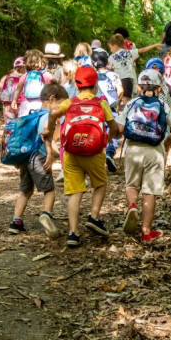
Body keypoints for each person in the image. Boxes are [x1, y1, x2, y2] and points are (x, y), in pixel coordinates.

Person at [46, 65, 121, 247]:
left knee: (74, 192)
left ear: (77, 86)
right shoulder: (101, 103)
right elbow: (114, 128)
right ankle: (94, 216)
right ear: (95, 85)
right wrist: (107, 140)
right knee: (100, 184)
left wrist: (49, 128)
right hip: (94, 152)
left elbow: (54, 112)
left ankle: (73, 233)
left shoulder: (70, 102)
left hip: (71, 153)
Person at [119, 69, 171, 243]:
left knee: (132, 185)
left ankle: (132, 206)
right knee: (150, 191)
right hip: (154, 151)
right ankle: (146, 231)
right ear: (160, 89)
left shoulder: (131, 103)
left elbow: (121, 129)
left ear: (138, 87)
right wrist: (170, 138)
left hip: (133, 150)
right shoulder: (163, 106)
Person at [8, 83, 63, 240]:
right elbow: (45, 135)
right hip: (39, 156)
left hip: (26, 157)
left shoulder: (33, 113)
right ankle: (46, 215)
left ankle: (16, 222)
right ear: (52, 99)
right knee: (49, 190)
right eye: (60, 104)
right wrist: (50, 154)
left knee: (25, 190)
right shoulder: (48, 115)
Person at [93, 50, 124, 172]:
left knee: (98, 131)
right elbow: (120, 90)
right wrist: (118, 102)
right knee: (114, 130)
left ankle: (97, 156)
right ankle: (109, 153)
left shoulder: (93, 75)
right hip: (111, 107)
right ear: (107, 61)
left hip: (96, 107)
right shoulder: (113, 75)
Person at [11, 49, 53, 118]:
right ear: (42, 62)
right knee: (39, 124)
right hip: (40, 103)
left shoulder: (25, 75)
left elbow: (18, 90)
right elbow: (52, 90)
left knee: (24, 123)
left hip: (25, 104)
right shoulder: (46, 75)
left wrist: (14, 101)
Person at [108, 33, 139, 100]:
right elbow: (141, 50)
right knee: (126, 100)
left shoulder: (111, 57)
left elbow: (106, 68)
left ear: (115, 46)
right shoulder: (129, 53)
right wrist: (155, 45)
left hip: (118, 80)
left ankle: (120, 109)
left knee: (119, 99)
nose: (110, 50)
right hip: (128, 79)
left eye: (110, 48)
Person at [0, 57, 25, 122]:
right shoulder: (25, 77)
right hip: (21, 104)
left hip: (8, 103)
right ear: (23, 67)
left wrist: (1, 99)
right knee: (19, 123)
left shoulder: (6, 77)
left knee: (9, 122)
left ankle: (8, 132)